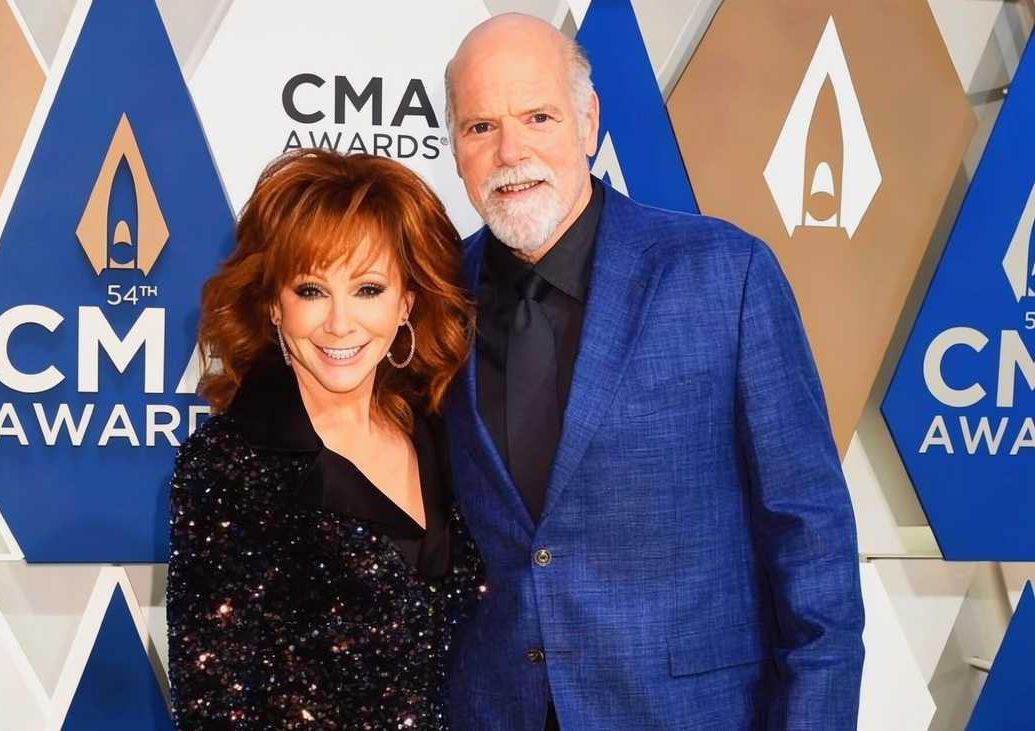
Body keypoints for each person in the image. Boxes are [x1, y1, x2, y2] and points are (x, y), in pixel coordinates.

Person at [441, 13, 865, 730]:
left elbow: (810, 535)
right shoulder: (434, 294)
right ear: (455, 148)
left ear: (587, 120)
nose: (511, 151)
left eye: (538, 117)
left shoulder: (723, 274)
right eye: (481, 127)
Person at [166, 149, 484, 729]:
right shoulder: (230, 463)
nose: (340, 323)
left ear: (406, 302)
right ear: (274, 305)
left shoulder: (443, 432)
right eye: (311, 290)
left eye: (368, 289)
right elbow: (211, 704)